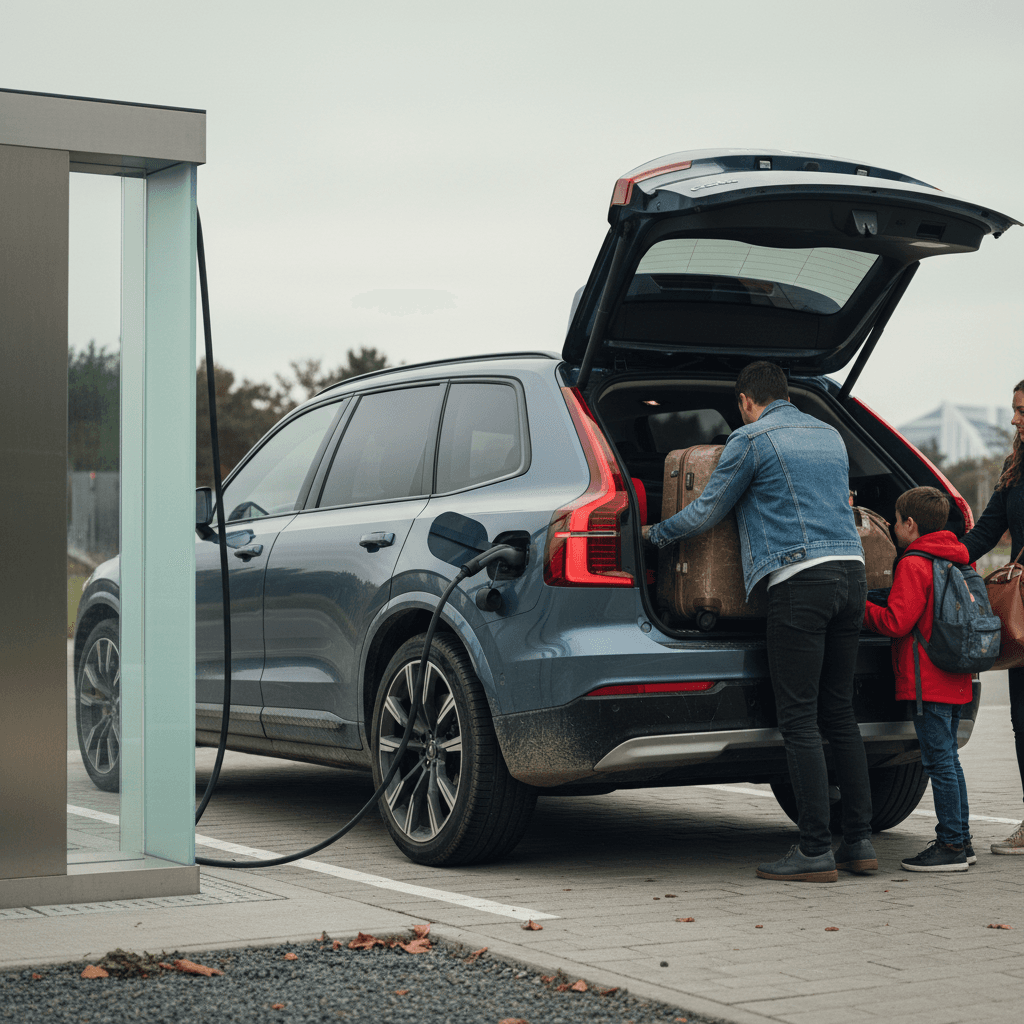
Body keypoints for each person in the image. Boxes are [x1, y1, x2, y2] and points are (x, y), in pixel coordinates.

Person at [644, 360, 874, 882]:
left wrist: (654, 535)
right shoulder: (829, 435)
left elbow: (707, 511)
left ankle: (814, 849)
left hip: (801, 581)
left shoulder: (750, 439)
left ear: (746, 401)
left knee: (799, 718)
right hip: (852, 574)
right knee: (839, 712)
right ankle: (859, 843)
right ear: (785, 394)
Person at [863, 487, 974, 871]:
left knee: (939, 763)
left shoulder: (914, 563)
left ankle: (951, 845)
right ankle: (962, 840)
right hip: (956, 674)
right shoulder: (957, 558)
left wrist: (860, 607)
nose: (893, 527)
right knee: (950, 761)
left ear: (910, 524)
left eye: (895, 521)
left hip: (928, 680)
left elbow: (897, 622)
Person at [960, 379, 1024, 855]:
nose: (1015, 419)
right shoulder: (1014, 467)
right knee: (1023, 720)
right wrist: (939, 555)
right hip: (1023, 612)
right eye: (1014, 410)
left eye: (1022, 410)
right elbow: (985, 532)